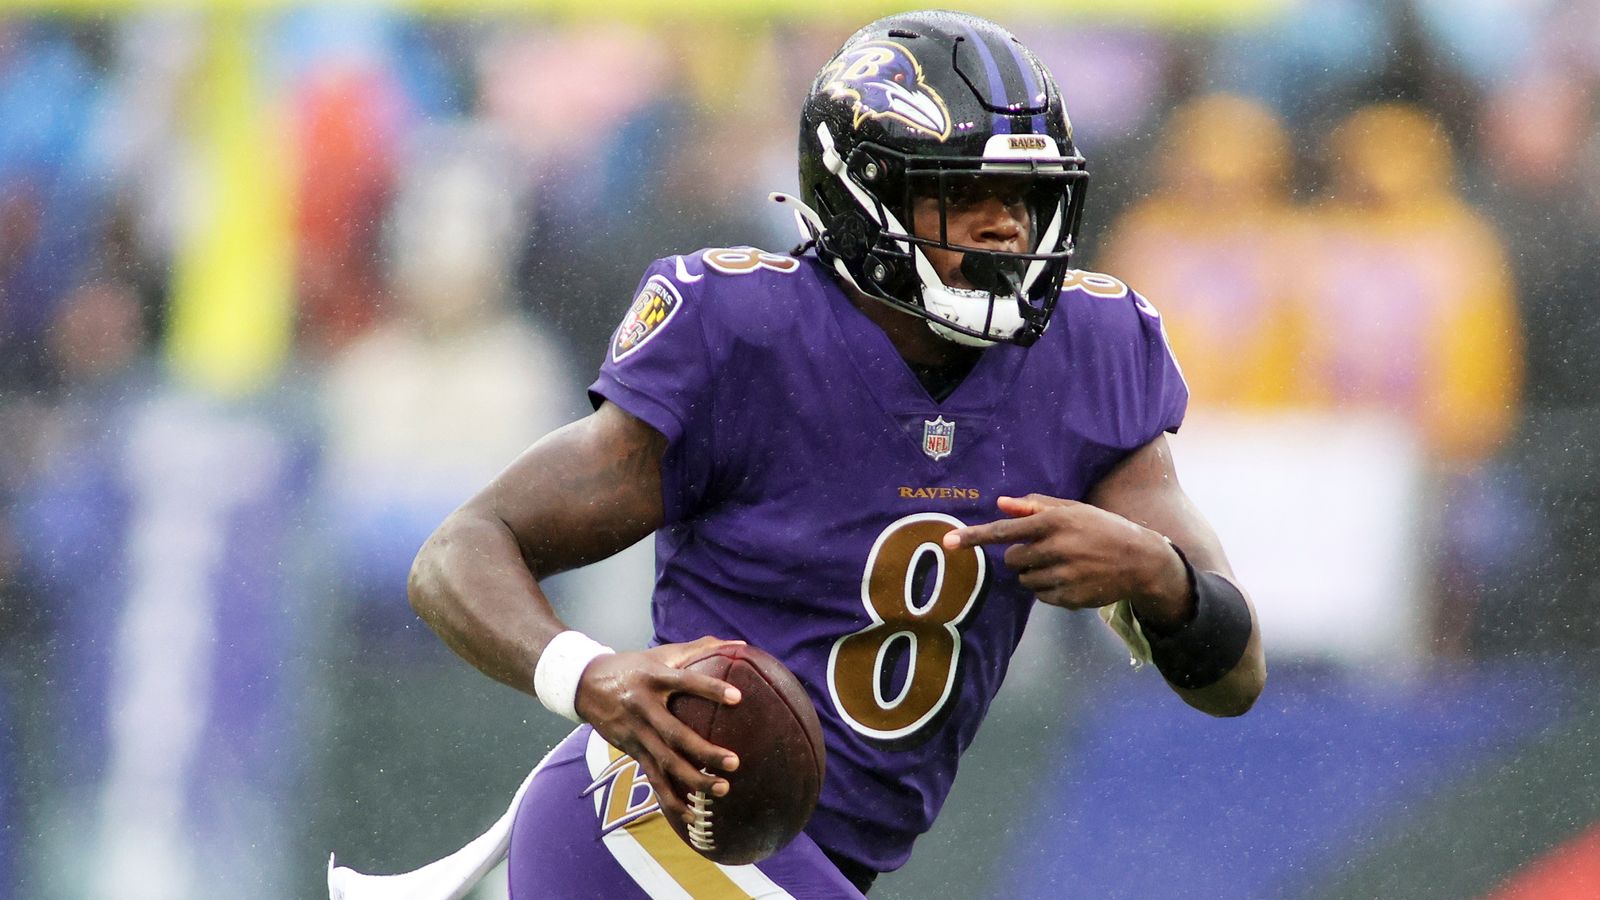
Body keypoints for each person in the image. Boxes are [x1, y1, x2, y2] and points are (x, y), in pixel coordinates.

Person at [329, 11, 1265, 899]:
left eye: (1023, 197)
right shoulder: (747, 333)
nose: (1005, 228)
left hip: (802, 860)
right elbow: (462, 549)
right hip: (657, 821)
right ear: (863, 196)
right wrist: (586, 673)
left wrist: (1161, 580)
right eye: (962, 195)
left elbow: (1236, 674)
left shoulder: (1092, 347)